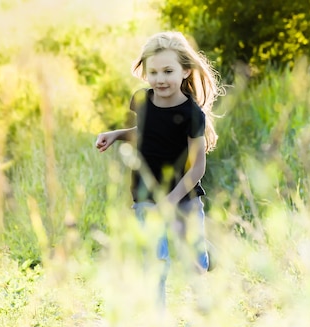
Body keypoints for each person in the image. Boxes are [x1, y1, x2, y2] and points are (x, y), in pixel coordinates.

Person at [95, 31, 223, 307]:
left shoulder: (192, 115)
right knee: (156, 265)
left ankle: (204, 261)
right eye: (153, 72)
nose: (160, 79)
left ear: (186, 71)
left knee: (195, 266)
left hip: (184, 196)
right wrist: (116, 134)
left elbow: (197, 167)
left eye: (168, 71)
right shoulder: (141, 100)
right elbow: (146, 133)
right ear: (144, 73)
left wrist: (171, 200)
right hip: (146, 194)